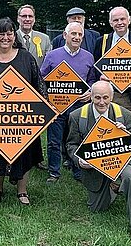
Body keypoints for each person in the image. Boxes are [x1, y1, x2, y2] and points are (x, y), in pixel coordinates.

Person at [0, 17, 45, 205]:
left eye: (9, 33)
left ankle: (22, 190)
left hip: (23, 119)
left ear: (14, 36)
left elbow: (39, 85)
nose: (5, 37)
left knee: (24, 152)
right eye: (1, 33)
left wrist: (43, 110)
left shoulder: (26, 57)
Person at [66, 81, 131, 241]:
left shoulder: (124, 115)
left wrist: (125, 136)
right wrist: (79, 160)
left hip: (121, 162)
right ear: (91, 97)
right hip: (94, 167)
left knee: (130, 177)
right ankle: (113, 186)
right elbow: (71, 144)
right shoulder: (77, 116)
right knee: (97, 209)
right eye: (97, 98)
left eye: (105, 97)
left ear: (112, 97)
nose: (101, 102)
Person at [40, 21, 96, 183]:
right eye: (73, 34)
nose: (77, 37)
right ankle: (54, 172)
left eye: (80, 34)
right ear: (65, 35)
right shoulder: (52, 56)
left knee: (79, 139)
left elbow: (92, 79)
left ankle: (78, 170)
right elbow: (42, 79)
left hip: (79, 106)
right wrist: (47, 98)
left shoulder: (88, 56)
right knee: (54, 140)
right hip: (57, 105)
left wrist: (90, 91)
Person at [93, 6, 131, 134]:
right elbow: (95, 66)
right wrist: (101, 76)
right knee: (106, 133)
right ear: (110, 23)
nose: (119, 23)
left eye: (122, 19)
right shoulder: (102, 42)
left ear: (129, 20)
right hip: (108, 97)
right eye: (115, 20)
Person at [15, 4, 51, 171]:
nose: (27, 19)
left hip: (37, 88)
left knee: (35, 125)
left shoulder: (44, 39)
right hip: (15, 90)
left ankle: (36, 158)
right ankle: (15, 156)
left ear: (34, 19)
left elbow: (49, 64)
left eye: (30, 16)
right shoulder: (10, 36)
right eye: (24, 16)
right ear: (18, 19)